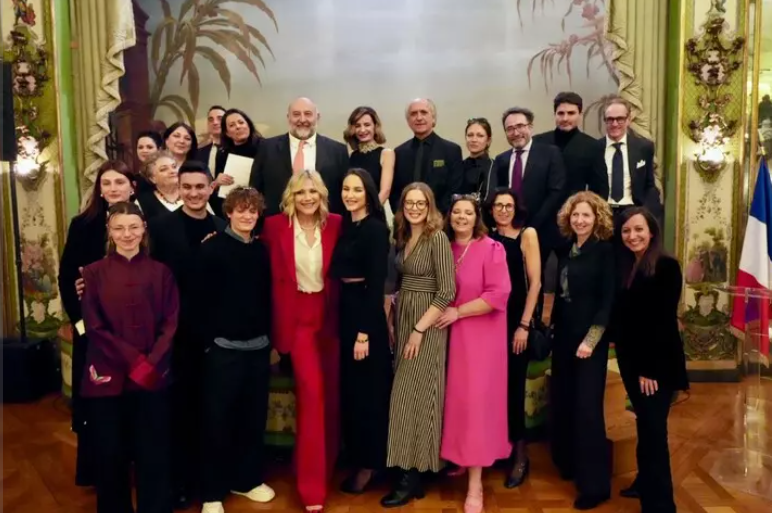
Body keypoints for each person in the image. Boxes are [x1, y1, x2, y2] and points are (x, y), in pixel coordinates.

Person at [80, 201, 179, 513]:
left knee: (154, 451)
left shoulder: (161, 272)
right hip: (107, 377)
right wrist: (135, 361)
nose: (127, 234)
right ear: (109, 231)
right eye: (119, 228)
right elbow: (94, 327)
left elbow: (171, 323)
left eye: (133, 227)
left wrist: (152, 362)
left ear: (144, 229)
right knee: (110, 454)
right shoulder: (93, 273)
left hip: (152, 376)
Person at [261, 170, 343, 513]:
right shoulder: (273, 227)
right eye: (300, 192)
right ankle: (312, 487)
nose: (307, 198)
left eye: (312, 192)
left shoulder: (336, 224)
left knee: (332, 397)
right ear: (289, 197)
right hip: (297, 321)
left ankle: (325, 465)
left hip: (332, 319)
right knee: (311, 397)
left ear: (322, 195)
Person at [148, 161, 226, 508]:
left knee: (213, 412)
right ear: (179, 189)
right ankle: (180, 482)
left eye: (200, 187)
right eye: (187, 187)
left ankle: (212, 481)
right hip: (175, 336)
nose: (194, 193)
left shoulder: (223, 226)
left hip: (215, 335)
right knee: (179, 412)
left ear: (211, 188)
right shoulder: (160, 227)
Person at [58, 160, 136, 487]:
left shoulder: (144, 222)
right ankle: (98, 472)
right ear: (99, 189)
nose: (113, 188)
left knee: (132, 401)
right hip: (93, 331)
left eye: (119, 182)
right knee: (97, 404)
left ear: (132, 187)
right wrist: (80, 323)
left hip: (133, 330)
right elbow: (67, 277)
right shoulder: (82, 225)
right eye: (107, 183)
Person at [198, 187, 275, 513]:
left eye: (252, 211)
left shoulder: (262, 251)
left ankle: (247, 481)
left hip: (257, 348)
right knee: (217, 421)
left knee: (252, 418)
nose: (247, 216)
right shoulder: (211, 249)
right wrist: (209, 342)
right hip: (223, 349)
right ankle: (212, 492)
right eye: (240, 210)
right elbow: (199, 300)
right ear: (228, 212)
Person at [381, 183, 455, 508]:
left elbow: (447, 291)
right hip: (405, 317)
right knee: (414, 398)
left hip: (426, 325)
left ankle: (408, 477)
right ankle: (417, 472)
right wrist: (393, 320)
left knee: (408, 398)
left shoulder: (436, 238)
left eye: (420, 203)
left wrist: (418, 330)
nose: (414, 208)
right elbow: (397, 284)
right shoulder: (402, 236)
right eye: (409, 203)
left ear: (430, 206)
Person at [435, 194, 511, 513]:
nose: (462, 217)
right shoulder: (443, 248)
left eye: (468, 212)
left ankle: (475, 486)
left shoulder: (491, 248)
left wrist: (458, 312)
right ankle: (460, 458)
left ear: (477, 217)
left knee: (475, 407)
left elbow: (498, 294)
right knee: (454, 402)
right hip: (447, 336)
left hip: (480, 339)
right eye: (457, 212)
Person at [610, 207, 688, 513]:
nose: (632, 236)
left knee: (655, 433)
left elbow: (661, 322)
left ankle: (661, 506)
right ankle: (644, 483)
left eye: (638, 229)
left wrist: (648, 370)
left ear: (652, 231)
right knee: (645, 425)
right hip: (632, 363)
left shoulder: (666, 266)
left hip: (655, 366)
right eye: (626, 230)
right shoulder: (628, 265)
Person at [550, 191, 615, 510]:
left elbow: (607, 301)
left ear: (597, 218)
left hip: (590, 341)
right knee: (564, 401)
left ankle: (595, 486)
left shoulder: (605, 251)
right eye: (575, 215)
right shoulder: (566, 249)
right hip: (563, 337)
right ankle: (570, 465)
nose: (580, 220)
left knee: (588, 410)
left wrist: (591, 340)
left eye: (586, 215)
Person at [330, 168, 392, 494]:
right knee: (352, 392)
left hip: (365, 318)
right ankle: (357, 455)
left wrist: (364, 333)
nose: (350, 195)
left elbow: (376, 284)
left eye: (356, 189)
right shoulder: (345, 225)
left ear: (368, 193)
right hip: (346, 309)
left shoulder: (375, 229)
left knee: (369, 395)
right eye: (345, 189)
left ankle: (372, 464)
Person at [486, 188, 542, 489]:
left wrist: (524, 325)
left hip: (516, 323)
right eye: (498, 205)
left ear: (516, 208)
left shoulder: (527, 235)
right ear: (491, 209)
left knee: (514, 387)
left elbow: (536, 284)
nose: (504, 210)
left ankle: (521, 454)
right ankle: (500, 447)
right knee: (494, 388)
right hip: (489, 323)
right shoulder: (487, 237)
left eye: (508, 205)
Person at [494, 107, 566, 269]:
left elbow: (556, 192)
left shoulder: (550, 153)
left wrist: (532, 225)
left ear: (530, 127)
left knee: (536, 277)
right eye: (510, 129)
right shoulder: (501, 160)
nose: (516, 132)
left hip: (542, 230)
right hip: (509, 232)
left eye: (520, 126)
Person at [249, 97, 349, 214]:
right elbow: (254, 190)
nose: (302, 119)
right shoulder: (266, 148)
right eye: (296, 114)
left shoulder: (338, 151)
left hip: (325, 221)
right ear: (288, 117)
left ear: (317, 117)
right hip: (276, 220)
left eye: (308, 114)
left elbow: (345, 192)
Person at [594, 97, 662, 225]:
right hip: (603, 214)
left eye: (620, 119)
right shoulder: (594, 148)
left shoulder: (644, 147)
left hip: (634, 212)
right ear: (605, 121)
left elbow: (649, 185)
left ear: (628, 119)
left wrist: (648, 213)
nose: (615, 124)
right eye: (610, 119)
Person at [389, 99, 464, 213]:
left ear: (433, 118)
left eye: (424, 112)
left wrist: (435, 216)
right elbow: (394, 192)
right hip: (406, 219)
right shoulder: (399, 152)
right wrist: (403, 214)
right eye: (413, 114)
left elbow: (454, 190)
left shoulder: (451, 151)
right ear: (408, 121)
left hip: (440, 219)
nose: (419, 118)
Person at [533, 92, 608, 196]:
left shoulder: (593, 146)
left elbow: (599, 188)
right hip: (541, 205)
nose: (565, 118)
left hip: (575, 205)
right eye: (561, 113)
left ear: (580, 115)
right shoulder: (537, 142)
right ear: (554, 114)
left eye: (571, 113)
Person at [210, 108, 262, 215]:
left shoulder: (265, 146)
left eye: (241, 122)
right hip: (233, 207)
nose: (238, 126)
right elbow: (217, 186)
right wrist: (217, 182)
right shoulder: (222, 153)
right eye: (232, 125)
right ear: (227, 133)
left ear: (248, 125)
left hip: (260, 206)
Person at [343, 106, 395, 206]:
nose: (362, 130)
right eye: (357, 126)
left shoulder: (386, 154)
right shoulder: (352, 155)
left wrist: (370, 212)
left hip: (374, 211)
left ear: (375, 126)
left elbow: (385, 191)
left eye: (367, 125)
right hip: (352, 211)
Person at [135, 150, 183, 221]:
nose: (172, 171)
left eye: (174, 167)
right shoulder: (142, 202)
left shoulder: (192, 194)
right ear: (152, 178)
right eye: (163, 169)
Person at [461, 118, 496, 200]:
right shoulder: (459, 165)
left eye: (480, 136)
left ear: (488, 141)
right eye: (470, 135)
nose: (474, 140)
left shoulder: (492, 166)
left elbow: (487, 199)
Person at [196, 105, 226, 172]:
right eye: (211, 119)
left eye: (220, 119)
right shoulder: (198, 153)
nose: (215, 122)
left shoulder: (238, 150)